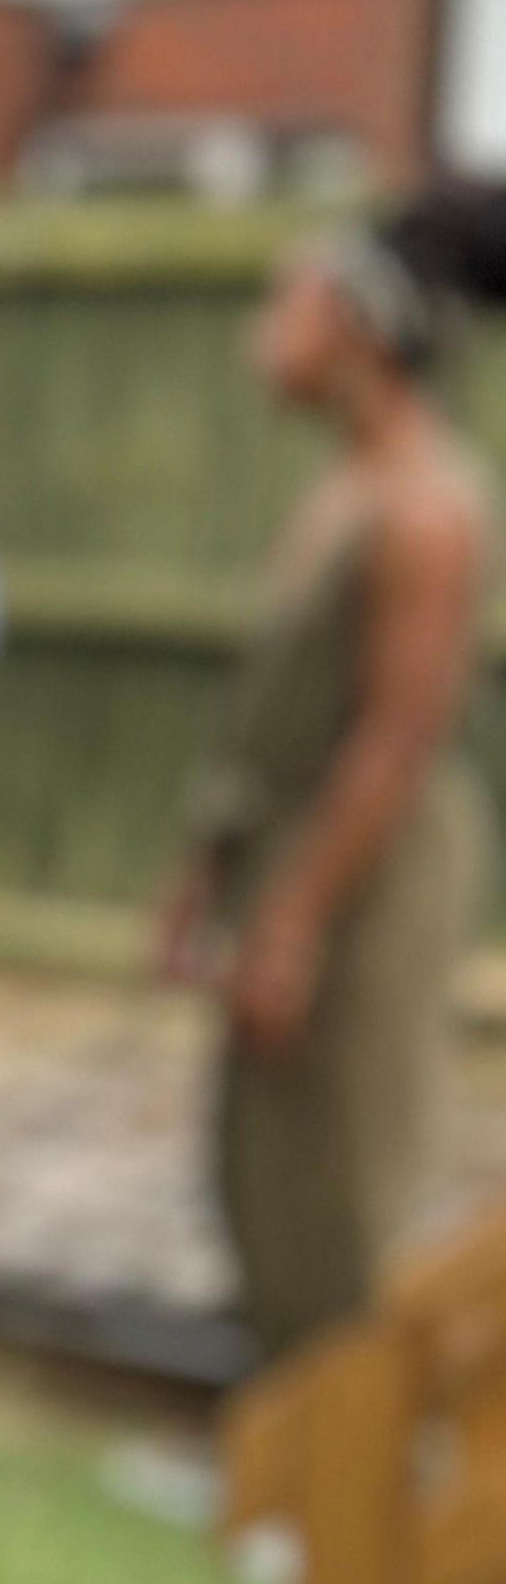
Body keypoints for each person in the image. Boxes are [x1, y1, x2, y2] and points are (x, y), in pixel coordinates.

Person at [151, 191, 500, 1363]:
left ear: (354, 325)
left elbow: (396, 739)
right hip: (293, 840)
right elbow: (275, 719)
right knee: (267, 1148)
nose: (266, 325)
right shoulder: (345, 484)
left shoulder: (428, 507)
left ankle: (352, 1499)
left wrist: (294, 923)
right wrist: (207, 874)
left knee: (350, 1156)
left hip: (371, 860)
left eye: (285, 298)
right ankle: (277, 1454)